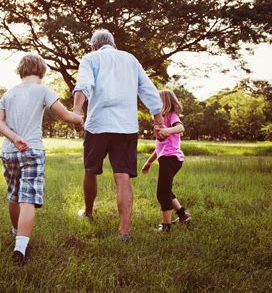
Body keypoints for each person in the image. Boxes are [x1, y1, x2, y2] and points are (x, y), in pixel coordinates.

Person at [73, 29, 163, 242]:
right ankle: (124, 232)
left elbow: (83, 85)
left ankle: (88, 212)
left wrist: (77, 111)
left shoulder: (90, 58)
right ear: (112, 44)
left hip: (98, 125)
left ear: (94, 46)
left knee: (90, 170)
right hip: (126, 126)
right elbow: (148, 89)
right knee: (122, 177)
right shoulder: (130, 59)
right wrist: (158, 119)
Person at [0, 53, 83, 263]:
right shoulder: (42, 90)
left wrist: (14, 138)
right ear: (41, 71)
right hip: (32, 150)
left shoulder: (9, 93)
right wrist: (79, 119)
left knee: (14, 194)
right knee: (28, 198)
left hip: (9, 151)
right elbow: (66, 115)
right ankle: (20, 248)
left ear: (21, 71)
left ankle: (16, 230)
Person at [141, 90, 191, 232]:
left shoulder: (171, 116)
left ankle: (166, 227)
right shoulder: (161, 120)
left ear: (163, 102)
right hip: (168, 158)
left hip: (171, 159)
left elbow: (181, 127)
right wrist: (149, 162)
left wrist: (167, 130)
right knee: (166, 190)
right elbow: (159, 149)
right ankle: (183, 215)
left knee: (162, 193)